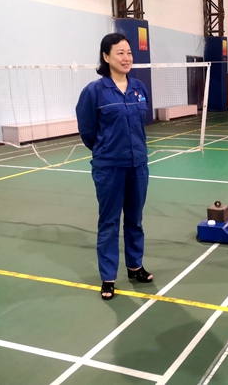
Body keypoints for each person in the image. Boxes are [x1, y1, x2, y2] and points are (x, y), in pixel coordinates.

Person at [76, 33, 153, 301]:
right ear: (106, 57)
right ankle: (108, 277)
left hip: (138, 165)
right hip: (109, 167)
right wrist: (106, 149)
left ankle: (135, 266)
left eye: (129, 52)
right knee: (109, 222)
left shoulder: (139, 88)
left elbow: (143, 123)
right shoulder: (94, 91)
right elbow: (88, 131)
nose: (126, 57)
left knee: (135, 219)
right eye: (120, 53)